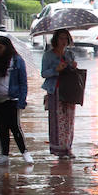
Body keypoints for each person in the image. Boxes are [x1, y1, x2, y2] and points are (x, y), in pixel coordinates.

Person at [0, 36, 32, 165]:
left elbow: (23, 82)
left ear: (7, 47)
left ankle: (25, 152)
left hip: (12, 98)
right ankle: (4, 155)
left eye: (1, 47)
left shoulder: (17, 61)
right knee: (2, 127)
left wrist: (22, 100)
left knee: (15, 126)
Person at [41, 29, 78, 158]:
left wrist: (73, 67)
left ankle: (68, 147)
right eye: (61, 38)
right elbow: (44, 73)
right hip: (55, 90)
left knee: (69, 120)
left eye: (66, 39)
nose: (63, 41)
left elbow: (73, 73)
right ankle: (59, 149)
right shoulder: (48, 55)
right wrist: (55, 70)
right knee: (57, 121)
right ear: (56, 39)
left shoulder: (70, 54)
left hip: (69, 90)